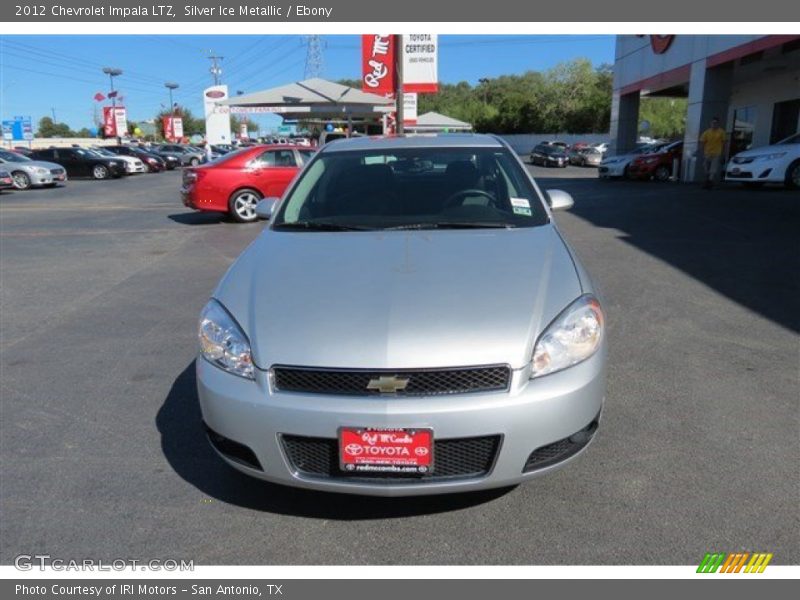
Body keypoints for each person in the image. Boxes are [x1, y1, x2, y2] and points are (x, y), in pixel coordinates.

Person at [699, 117, 726, 189]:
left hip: (717, 153)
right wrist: (702, 153)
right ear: (710, 124)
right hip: (707, 153)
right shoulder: (706, 132)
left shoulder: (721, 132)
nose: (714, 124)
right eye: (713, 123)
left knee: (713, 168)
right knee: (706, 168)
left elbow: (724, 143)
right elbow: (702, 143)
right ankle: (707, 180)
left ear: (718, 124)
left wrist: (723, 154)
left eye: (716, 123)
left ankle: (710, 181)